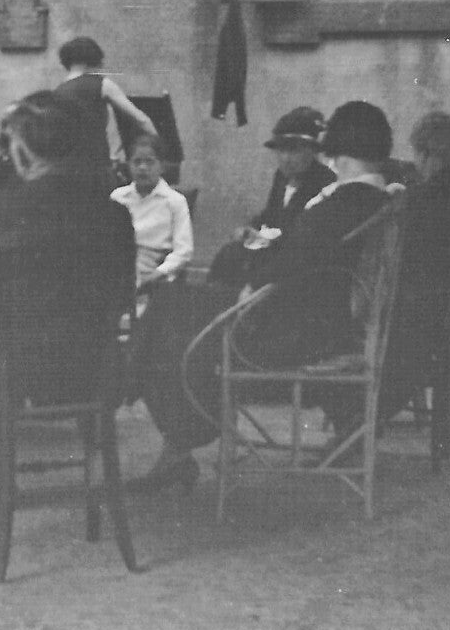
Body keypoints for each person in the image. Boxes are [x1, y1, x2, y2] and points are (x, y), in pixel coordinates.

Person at [130, 101, 397, 493]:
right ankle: (167, 432)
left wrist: (249, 286)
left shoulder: (344, 202)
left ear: (338, 148)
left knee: (169, 309)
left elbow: (290, 265)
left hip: (288, 333)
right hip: (310, 320)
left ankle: (155, 418)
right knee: (177, 306)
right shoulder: (372, 199)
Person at [0, 91, 136, 504]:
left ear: (19, 150)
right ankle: (90, 455)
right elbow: (124, 293)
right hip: (88, 372)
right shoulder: (114, 217)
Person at [376, 112, 450, 423]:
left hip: (417, 309)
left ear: (425, 154)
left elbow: (406, 254)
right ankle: (361, 425)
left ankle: (359, 427)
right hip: (446, 305)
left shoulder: (423, 197)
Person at [205, 106, 336, 290]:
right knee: (228, 255)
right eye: (281, 151)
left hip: (297, 263)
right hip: (270, 251)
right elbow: (271, 215)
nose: (286, 158)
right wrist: (250, 229)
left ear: (312, 150)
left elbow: (309, 239)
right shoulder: (281, 177)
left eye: (294, 151)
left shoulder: (325, 182)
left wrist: (269, 241)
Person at [53, 36, 158, 191]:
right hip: (96, 167)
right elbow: (140, 119)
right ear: (91, 59)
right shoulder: (101, 84)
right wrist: (161, 147)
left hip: (66, 170)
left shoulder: (58, 91)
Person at [111, 133, 194, 295]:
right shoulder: (118, 197)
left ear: (162, 166)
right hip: (118, 264)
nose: (142, 168)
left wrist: (157, 274)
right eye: (137, 162)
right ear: (128, 165)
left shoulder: (175, 201)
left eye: (149, 162)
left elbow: (184, 251)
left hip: (153, 268)